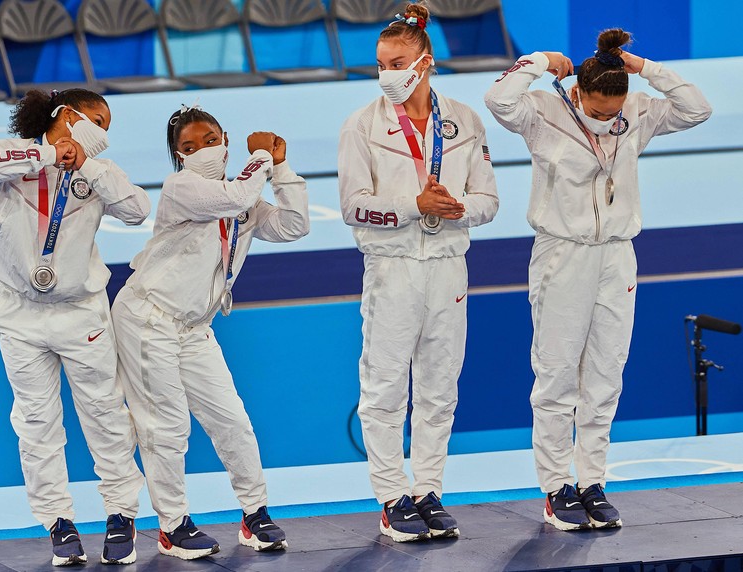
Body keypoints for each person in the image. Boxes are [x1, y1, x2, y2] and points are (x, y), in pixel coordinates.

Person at [485, 29, 711, 531]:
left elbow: (697, 108)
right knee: (558, 375)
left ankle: (592, 481)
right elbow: (497, 97)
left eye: (615, 110)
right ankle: (555, 487)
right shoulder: (543, 113)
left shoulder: (637, 113)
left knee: (606, 374)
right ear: (579, 93)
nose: (608, 119)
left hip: (618, 257)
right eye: (598, 110)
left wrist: (644, 67)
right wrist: (543, 60)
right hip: (563, 255)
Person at [111, 104, 309, 560]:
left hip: (194, 328)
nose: (202, 150)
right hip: (148, 318)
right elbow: (236, 199)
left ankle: (255, 514)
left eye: (209, 140)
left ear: (225, 139)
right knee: (167, 427)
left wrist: (282, 167)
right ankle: (173, 525)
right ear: (178, 157)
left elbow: (295, 225)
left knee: (232, 421)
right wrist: (261, 157)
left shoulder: (246, 198)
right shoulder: (182, 187)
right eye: (188, 146)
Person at [338, 2, 499, 543]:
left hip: (449, 267)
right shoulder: (361, 126)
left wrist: (457, 209)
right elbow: (353, 206)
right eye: (381, 63)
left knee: (439, 388)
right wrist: (415, 204)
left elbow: (489, 201)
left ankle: (428, 490)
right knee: (384, 388)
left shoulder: (465, 122)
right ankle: (390, 498)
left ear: (425, 62)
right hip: (393, 266)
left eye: (397, 62)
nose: (387, 74)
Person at [0, 88, 150, 566]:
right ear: (65, 115)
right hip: (18, 313)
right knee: (36, 421)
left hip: (81, 312)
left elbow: (136, 210)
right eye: (95, 119)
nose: (102, 131)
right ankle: (58, 521)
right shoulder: (12, 160)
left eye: (107, 126)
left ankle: (121, 514)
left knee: (105, 415)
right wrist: (50, 153)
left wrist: (85, 165)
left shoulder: (98, 172)